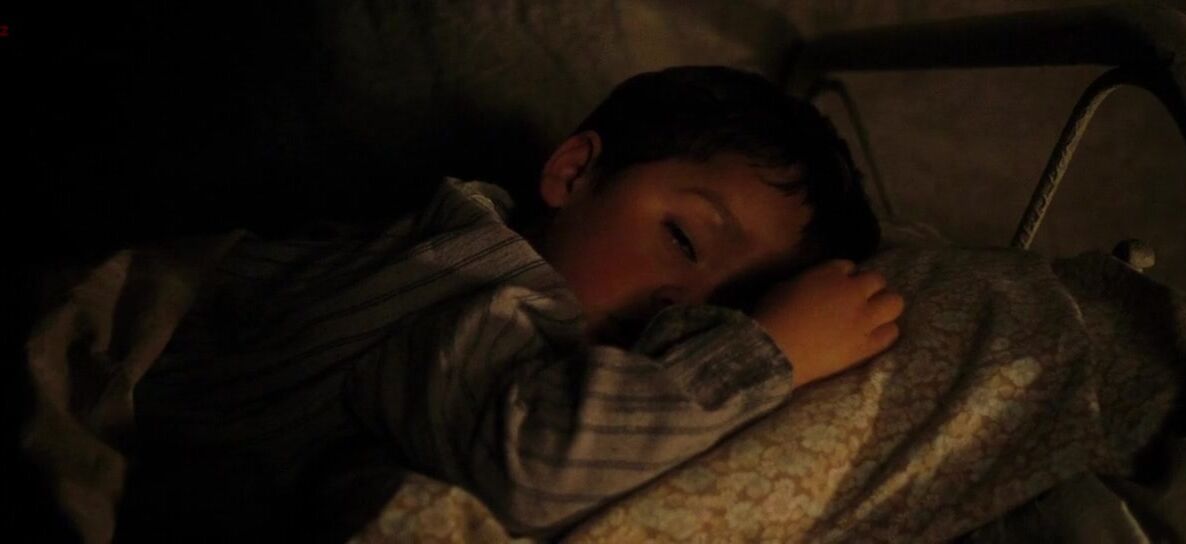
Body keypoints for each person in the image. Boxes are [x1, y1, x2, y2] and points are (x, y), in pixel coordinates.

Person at [124, 65, 903, 539]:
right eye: (684, 239)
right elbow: (534, 467)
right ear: (573, 173)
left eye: (730, 307)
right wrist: (769, 349)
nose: (681, 306)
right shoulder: (475, 294)